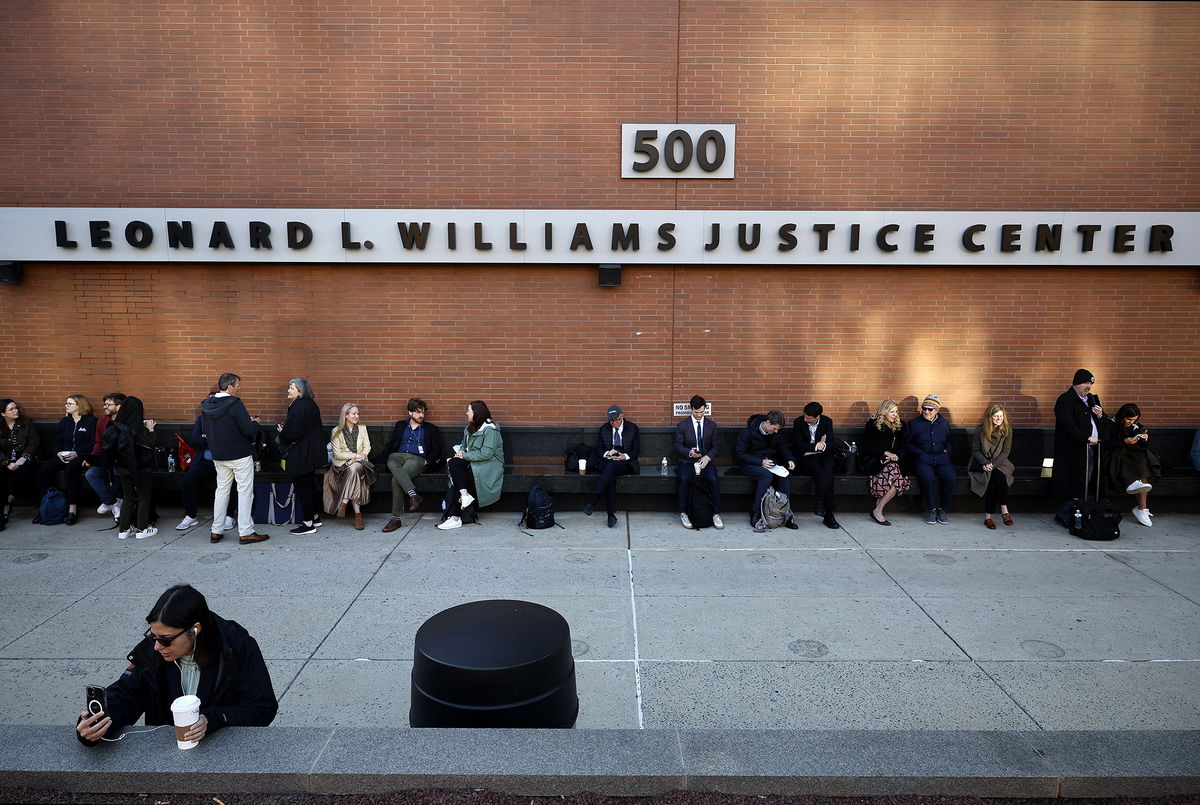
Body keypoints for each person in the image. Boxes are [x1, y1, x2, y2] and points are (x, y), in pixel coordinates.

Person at [76, 584, 277, 746]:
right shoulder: (154, 650)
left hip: (225, 753)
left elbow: (262, 708)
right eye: (152, 635)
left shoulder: (236, 646)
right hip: (169, 755)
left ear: (195, 630)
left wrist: (214, 719)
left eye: (165, 639)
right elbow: (125, 695)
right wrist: (97, 724)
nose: (156, 646)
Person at [201, 374, 267, 544]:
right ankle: (246, 532)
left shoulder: (207, 404)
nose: (238, 388)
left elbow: (205, 429)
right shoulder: (234, 403)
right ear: (230, 387)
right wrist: (255, 423)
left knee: (221, 491)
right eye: (237, 385)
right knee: (244, 492)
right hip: (239, 454)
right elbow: (247, 430)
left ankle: (216, 530)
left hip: (218, 455)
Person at [437, 400, 503, 531]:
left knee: (459, 479)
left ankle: (456, 518)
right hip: (475, 462)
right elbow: (464, 445)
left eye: (469, 411)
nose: (466, 413)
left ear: (476, 413)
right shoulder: (469, 428)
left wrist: (464, 456)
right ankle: (464, 497)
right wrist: (461, 451)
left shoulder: (490, 430)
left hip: (489, 466)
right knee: (455, 466)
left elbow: (486, 454)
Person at [1052, 369, 1110, 519]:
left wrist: (1101, 415)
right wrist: (1086, 438)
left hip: (1094, 449)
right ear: (1076, 383)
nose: (1089, 386)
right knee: (1075, 481)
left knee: (1089, 479)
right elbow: (1068, 425)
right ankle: (1070, 512)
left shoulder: (1092, 399)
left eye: (1091, 383)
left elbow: (1106, 424)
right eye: (1085, 383)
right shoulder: (1065, 400)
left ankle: (1086, 510)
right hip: (1075, 449)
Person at [29, 395, 95, 525]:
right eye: (66, 403)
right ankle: (46, 505)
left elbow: (93, 443)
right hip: (63, 455)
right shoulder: (65, 422)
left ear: (79, 405)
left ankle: (73, 508)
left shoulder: (91, 421)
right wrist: (58, 453)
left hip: (81, 455)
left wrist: (77, 453)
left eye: (69, 404)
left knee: (70, 471)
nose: (66, 406)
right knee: (43, 471)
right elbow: (57, 441)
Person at [383, 398, 444, 532]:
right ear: (410, 412)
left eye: (423, 412)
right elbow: (391, 444)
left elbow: (436, 450)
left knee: (396, 479)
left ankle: (395, 519)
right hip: (398, 456)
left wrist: (427, 461)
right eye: (417, 412)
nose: (421, 415)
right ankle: (413, 495)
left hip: (417, 459)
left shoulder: (431, 429)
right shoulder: (400, 425)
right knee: (392, 461)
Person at [103, 396, 159, 540]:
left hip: (123, 468)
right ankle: (142, 529)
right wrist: (151, 430)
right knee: (143, 498)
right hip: (142, 469)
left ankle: (124, 530)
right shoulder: (140, 428)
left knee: (128, 498)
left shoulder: (116, 427)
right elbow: (151, 445)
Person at [176, 406, 236, 537]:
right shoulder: (202, 420)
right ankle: (191, 515)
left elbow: (229, 441)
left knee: (227, 485)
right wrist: (214, 440)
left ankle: (229, 516)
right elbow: (195, 440)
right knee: (187, 481)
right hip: (204, 461)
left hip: (224, 462)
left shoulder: (227, 419)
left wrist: (207, 438)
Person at [276, 378, 326, 536]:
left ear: (300, 390)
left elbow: (294, 432)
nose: (288, 391)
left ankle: (308, 523)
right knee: (309, 486)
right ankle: (315, 517)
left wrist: (281, 433)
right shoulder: (309, 404)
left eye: (291, 388)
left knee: (303, 488)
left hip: (302, 454)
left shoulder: (299, 406)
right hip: (310, 453)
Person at [735, 410, 797, 531]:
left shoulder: (776, 433)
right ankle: (755, 512)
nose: (776, 431)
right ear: (767, 423)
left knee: (784, 476)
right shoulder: (748, 432)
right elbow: (740, 453)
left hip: (771, 464)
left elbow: (783, 447)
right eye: (774, 428)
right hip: (750, 464)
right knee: (766, 475)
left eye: (778, 429)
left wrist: (790, 459)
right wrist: (759, 462)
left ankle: (787, 513)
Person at [583, 405, 640, 528]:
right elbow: (598, 450)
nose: (614, 423)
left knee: (611, 467)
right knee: (611, 475)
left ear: (622, 416)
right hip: (608, 460)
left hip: (626, 463)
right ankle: (611, 515)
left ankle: (594, 500)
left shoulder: (632, 428)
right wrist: (607, 453)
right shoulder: (604, 429)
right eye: (611, 421)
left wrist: (624, 456)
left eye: (617, 420)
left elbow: (636, 451)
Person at [1105, 403, 1161, 528]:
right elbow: (1105, 443)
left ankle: (1142, 507)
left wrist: (1144, 439)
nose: (1130, 422)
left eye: (1134, 420)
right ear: (1122, 416)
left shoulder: (1136, 427)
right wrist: (1123, 441)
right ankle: (1139, 502)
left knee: (1142, 457)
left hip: (1133, 455)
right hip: (1114, 455)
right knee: (1131, 459)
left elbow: (1143, 447)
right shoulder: (1110, 424)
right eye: (1128, 419)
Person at [673, 394, 723, 530]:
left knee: (713, 479)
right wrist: (689, 452)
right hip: (687, 461)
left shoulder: (711, 425)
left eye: (702, 412)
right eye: (697, 412)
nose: (700, 415)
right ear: (691, 410)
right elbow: (677, 446)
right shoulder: (683, 425)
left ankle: (716, 513)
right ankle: (683, 513)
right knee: (683, 479)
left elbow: (716, 445)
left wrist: (708, 457)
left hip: (705, 461)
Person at [859, 399, 911, 526]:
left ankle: (878, 509)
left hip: (896, 462)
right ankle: (878, 511)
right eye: (891, 412)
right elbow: (866, 447)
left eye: (896, 412)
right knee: (895, 474)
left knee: (896, 474)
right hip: (876, 460)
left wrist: (896, 456)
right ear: (884, 412)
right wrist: (885, 453)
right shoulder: (873, 424)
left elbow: (904, 447)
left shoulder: (901, 426)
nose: (895, 414)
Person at [324, 403, 375, 530]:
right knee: (354, 472)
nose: (357, 416)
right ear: (346, 415)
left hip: (360, 464)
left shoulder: (363, 429)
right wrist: (356, 457)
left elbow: (367, 447)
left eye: (358, 413)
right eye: (354, 414)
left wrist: (355, 459)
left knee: (354, 468)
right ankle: (358, 515)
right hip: (341, 466)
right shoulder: (336, 431)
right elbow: (338, 454)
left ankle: (344, 503)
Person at [907, 394, 957, 525]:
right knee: (928, 478)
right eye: (924, 408)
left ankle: (943, 510)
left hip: (942, 459)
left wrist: (948, 451)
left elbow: (949, 440)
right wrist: (919, 453)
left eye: (930, 409)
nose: (926, 411)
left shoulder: (944, 423)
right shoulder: (914, 424)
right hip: (923, 459)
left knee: (951, 478)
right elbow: (907, 443)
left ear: (936, 410)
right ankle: (932, 509)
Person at [791, 401, 839, 529]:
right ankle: (829, 514)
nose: (805, 419)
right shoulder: (798, 422)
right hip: (807, 457)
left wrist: (824, 445)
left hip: (824, 456)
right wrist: (814, 446)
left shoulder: (827, 421)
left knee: (829, 470)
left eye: (809, 418)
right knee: (823, 475)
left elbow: (831, 442)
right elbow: (799, 445)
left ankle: (821, 500)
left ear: (817, 416)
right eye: (805, 416)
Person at [969, 403, 1015, 529]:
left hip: (1001, 463)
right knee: (995, 480)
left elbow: (1005, 452)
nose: (999, 419)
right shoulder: (980, 430)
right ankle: (1004, 511)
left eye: (1001, 416)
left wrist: (992, 465)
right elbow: (975, 450)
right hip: (982, 462)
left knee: (997, 477)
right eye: (996, 416)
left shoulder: (1007, 430)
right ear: (990, 417)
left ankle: (988, 517)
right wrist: (985, 463)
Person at [82, 394, 123, 523]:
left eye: (108, 405)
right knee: (91, 474)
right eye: (104, 404)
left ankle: (119, 503)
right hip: (105, 460)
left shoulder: (127, 421)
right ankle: (111, 502)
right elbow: (98, 442)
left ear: (119, 406)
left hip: (122, 461)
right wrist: (92, 458)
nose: (104, 407)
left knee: (116, 474)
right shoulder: (102, 421)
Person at [0, 398, 39, 531]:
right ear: (3, 413)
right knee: (2, 471)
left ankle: (12, 497)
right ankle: (4, 508)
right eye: (11, 409)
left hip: (25, 457)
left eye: (16, 408)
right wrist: (6, 462)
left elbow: (34, 441)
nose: (15, 411)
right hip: (6, 458)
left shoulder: (26, 421)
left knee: (23, 471)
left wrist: (24, 458)